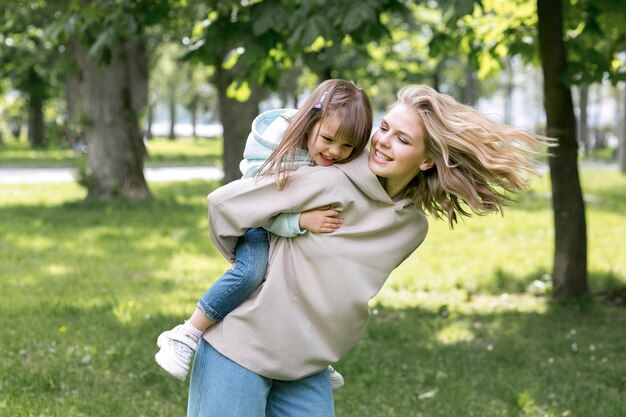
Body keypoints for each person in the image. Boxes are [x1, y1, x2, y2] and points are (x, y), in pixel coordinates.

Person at [186, 84, 553, 417]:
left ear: (426, 161)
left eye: (403, 139)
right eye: (385, 128)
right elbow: (224, 205)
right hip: (240, 346)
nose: (383, 142)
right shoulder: (328, 179)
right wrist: (250, 265)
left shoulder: (410, 228)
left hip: (307, 363)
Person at [155, 79, 373, 389]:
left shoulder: (328, 154)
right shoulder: (275, 144)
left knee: (306, 281)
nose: (336, 151)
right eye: (328, 139)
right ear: (311, 121)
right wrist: (299, 221)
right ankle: (187, 333)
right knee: (252, 272)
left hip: (294, 224)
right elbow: (258, 206)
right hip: (258, 224)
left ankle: (313, 356)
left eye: (347, 146)